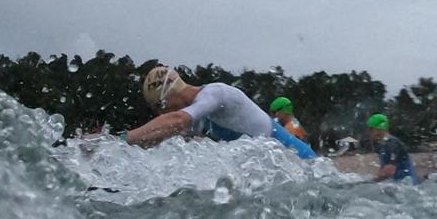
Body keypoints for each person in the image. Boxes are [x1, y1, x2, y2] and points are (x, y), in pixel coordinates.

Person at [120, 66, 317, 159]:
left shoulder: (215, 93)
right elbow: (161, 138)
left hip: (295, 154)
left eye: (160, 107)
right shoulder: (200, 119)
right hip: (273, 161)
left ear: (169, 96)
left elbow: (177, 121)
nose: (160, 114)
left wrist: (121, 139)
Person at [367, 113, 419, 185]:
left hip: (407, 187)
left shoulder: (393, 144)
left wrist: (370, 183)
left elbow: (389, 171)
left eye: (370, 129)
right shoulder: (382, 145)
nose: (368, 132)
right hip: (399, 185)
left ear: (378, 129)